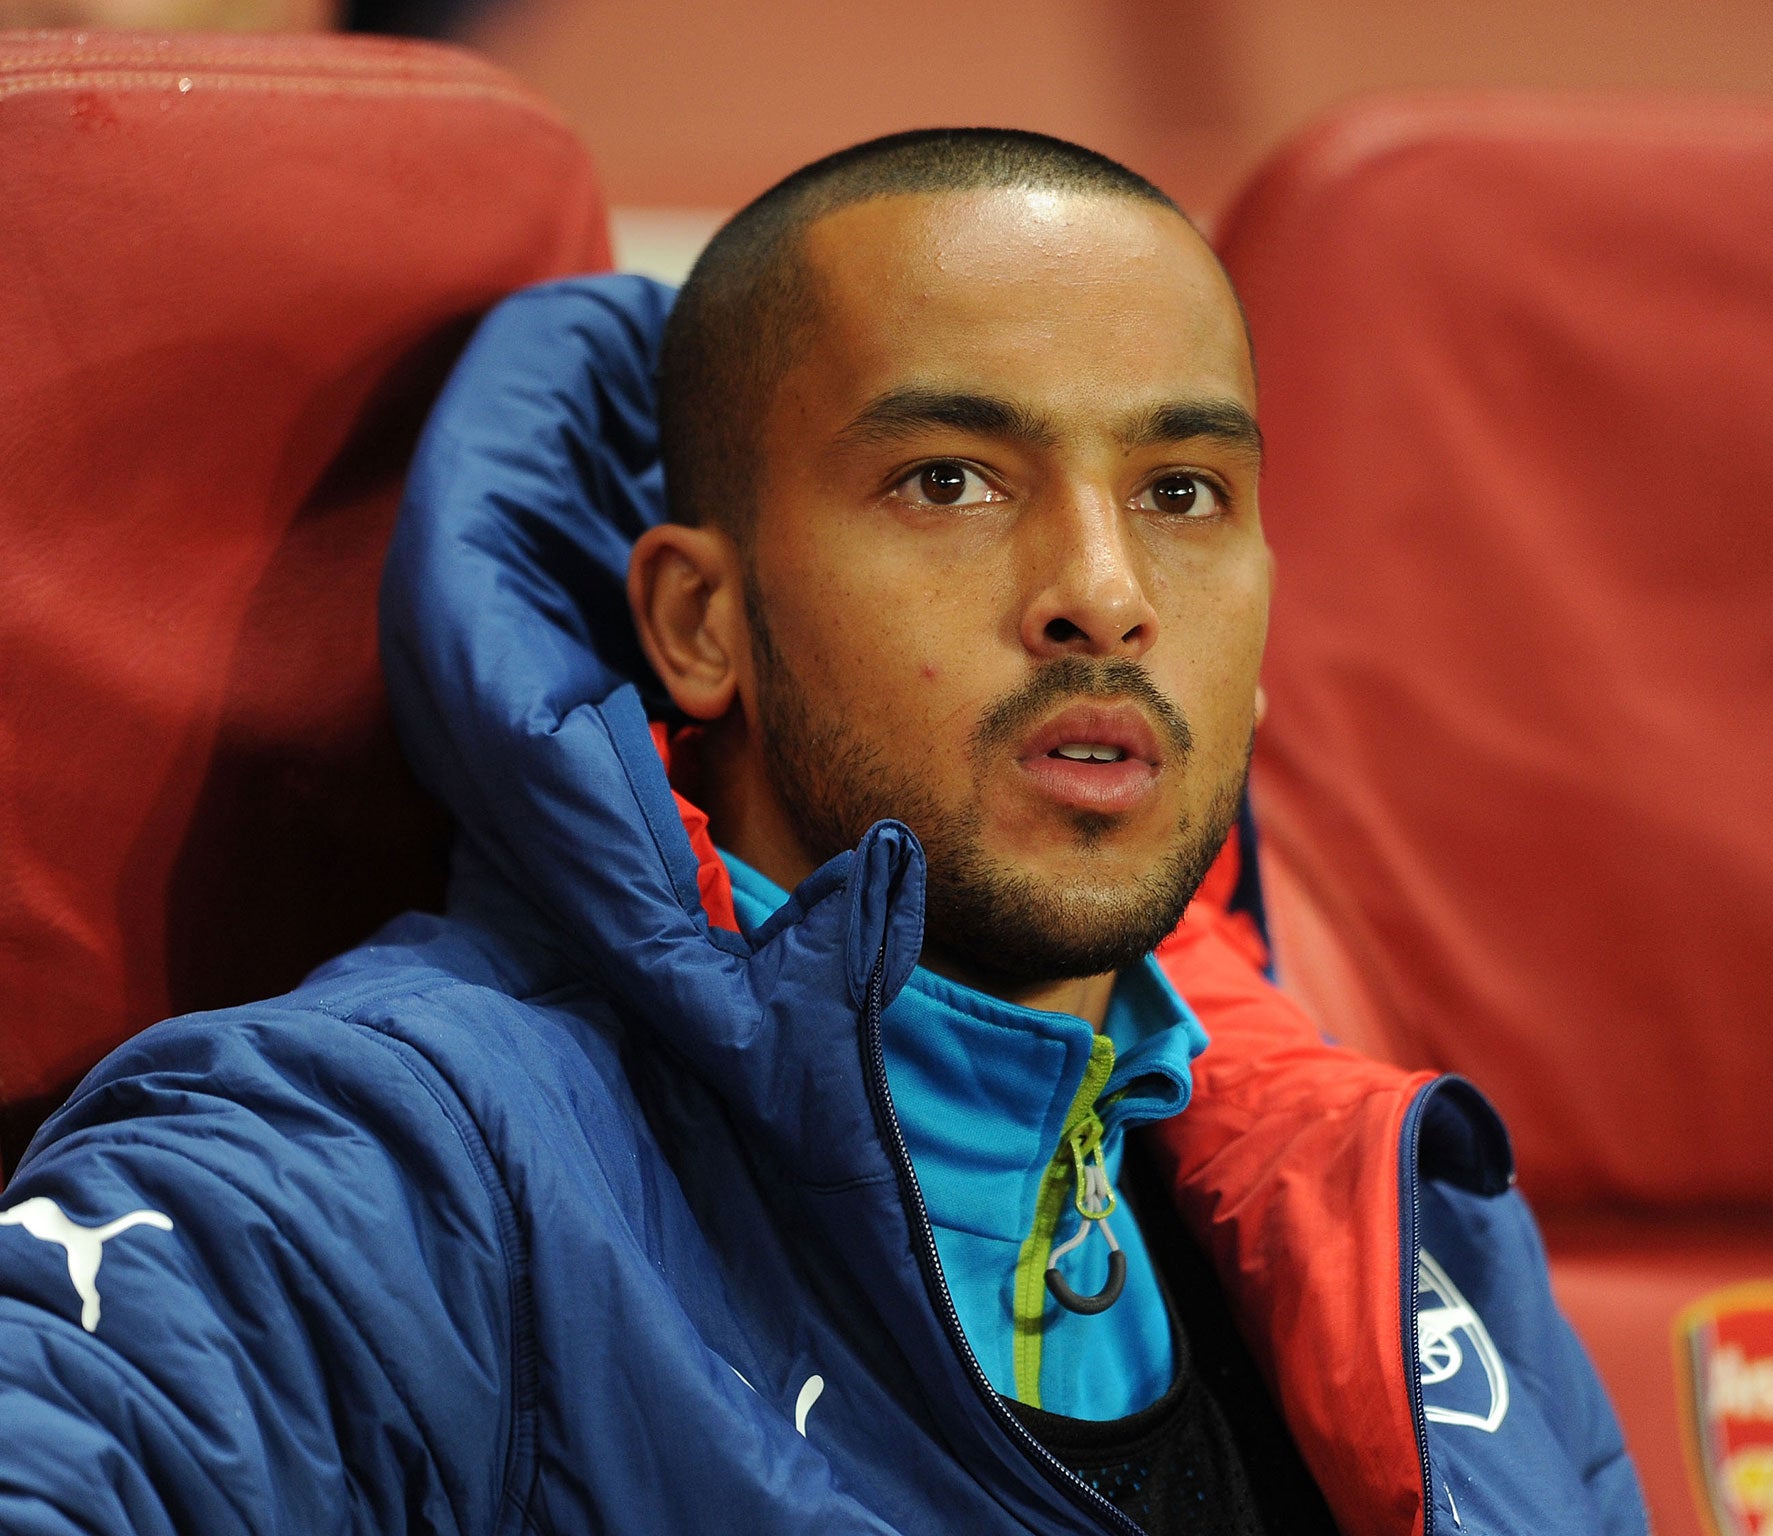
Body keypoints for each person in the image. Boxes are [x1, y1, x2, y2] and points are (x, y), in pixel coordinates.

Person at [0, 129, 1647, 1534]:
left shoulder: (1396, 1208)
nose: (1105, 594)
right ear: (700, 622)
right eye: (950, 480)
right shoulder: (392, 1158)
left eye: (1183, 492)